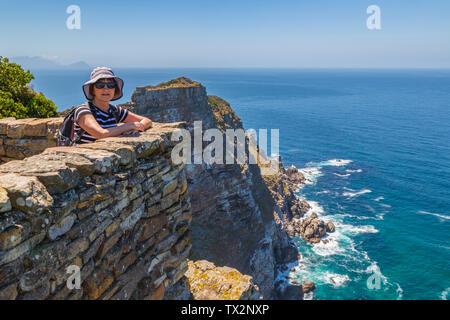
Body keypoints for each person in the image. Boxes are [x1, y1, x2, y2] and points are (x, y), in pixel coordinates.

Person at [74, 66, 152, 144]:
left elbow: (147, 121)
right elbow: (100, 134)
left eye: (111, 85)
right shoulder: (83, 111)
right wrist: (128, 126)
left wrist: (137, 128)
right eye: (100, 85)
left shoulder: (115, 111)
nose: (106, 89)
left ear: (115, 89)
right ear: (92, 89)